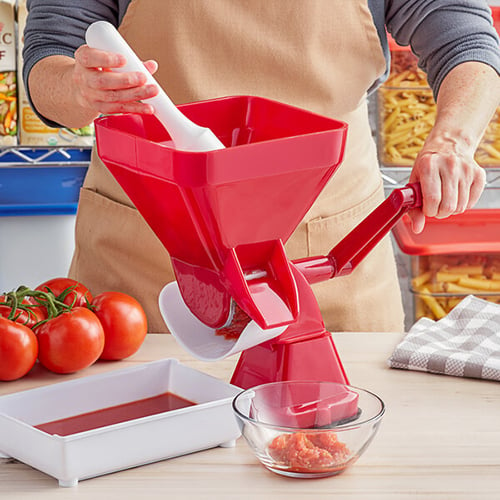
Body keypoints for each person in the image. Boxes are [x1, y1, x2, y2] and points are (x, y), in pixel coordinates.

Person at [23, 0, 500, 333]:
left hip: (329, 265)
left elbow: (463, 33)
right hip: (144, 273)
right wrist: (79, 88)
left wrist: (454, 141)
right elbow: (50, 57)